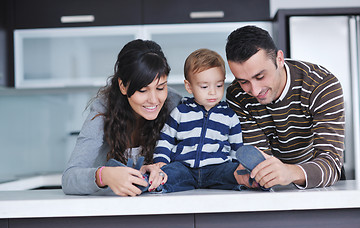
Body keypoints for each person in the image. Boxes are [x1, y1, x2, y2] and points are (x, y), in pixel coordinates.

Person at [225, 25, 345, 189]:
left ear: (279, 59)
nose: (254, 90)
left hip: (318, 180)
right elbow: (259, 156)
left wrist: (290, 172)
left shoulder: (321, 86)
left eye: (260, 76)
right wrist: (252, 170)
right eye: (243, 81)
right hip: (274, 185)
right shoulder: (237, 95)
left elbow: (331, 164)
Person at [62, 39, 182, 196]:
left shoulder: (175, 104)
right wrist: (104, 175)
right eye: (142, 90)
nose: (154, 99)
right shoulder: (103, 110)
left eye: (160, 87)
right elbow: (69, 179)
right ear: (123, 86)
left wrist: (163, 169)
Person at [153, 48, 257, 193]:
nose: (213, 92)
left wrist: (238, 166)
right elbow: (166, 139)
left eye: (219, 85)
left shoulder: (229, 116)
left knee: (234, 172)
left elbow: (236, 148)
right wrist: (161, 162)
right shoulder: (180, 112)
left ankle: (254, 181)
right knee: (167, 173)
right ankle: (150, 182)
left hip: (217, 168)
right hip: (185, 168)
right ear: (189, 86)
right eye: (204, 86)